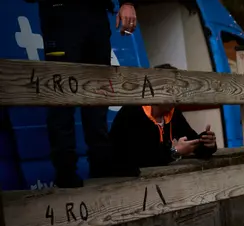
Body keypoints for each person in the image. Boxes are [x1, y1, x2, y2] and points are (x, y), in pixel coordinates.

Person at [35, 0, 140, 187]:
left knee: (98, 94)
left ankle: (101, 164)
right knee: (62, 94)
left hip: (96, 14)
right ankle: (65, 170)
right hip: (61, 13)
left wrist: (126, 2)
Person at [108, 64, 217, 169]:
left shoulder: (173, 113)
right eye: (173, 90)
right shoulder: (132, 112)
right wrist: (175, 152)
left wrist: (206, 143)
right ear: (157, 89)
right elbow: (137, 158)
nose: (178, 95)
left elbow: (192, 143)